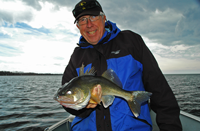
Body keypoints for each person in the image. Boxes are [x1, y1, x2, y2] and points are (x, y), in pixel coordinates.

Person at [61, 0, 182, 130]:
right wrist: (82, 107)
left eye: (93, 16)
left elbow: (160, 91)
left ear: (104, 18)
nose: (89, 24)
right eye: (82, 20)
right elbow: (66, 98)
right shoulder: (76, 56)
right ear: (78, 26)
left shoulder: (131, 42)